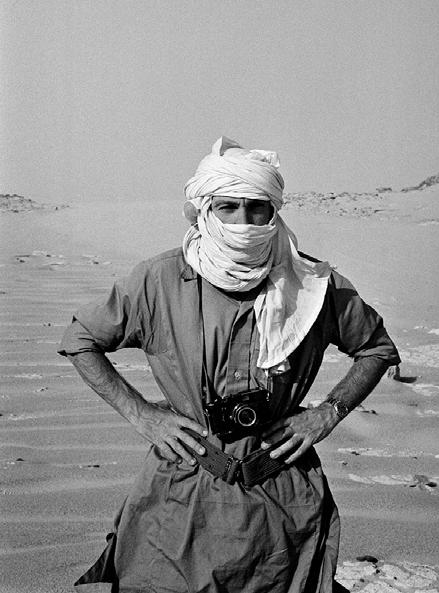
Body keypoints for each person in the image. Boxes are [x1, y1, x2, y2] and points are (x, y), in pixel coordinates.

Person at [59, 136, 400, 593]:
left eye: (257, 208)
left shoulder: (314, 284)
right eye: (228, 207)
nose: (244, 222)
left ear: (274, 211)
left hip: (281, 496)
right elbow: (81, 340)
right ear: (203, 210)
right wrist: (143, 415)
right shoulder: (159, 280)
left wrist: (327, 414)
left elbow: (376, 348)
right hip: (182, 489)